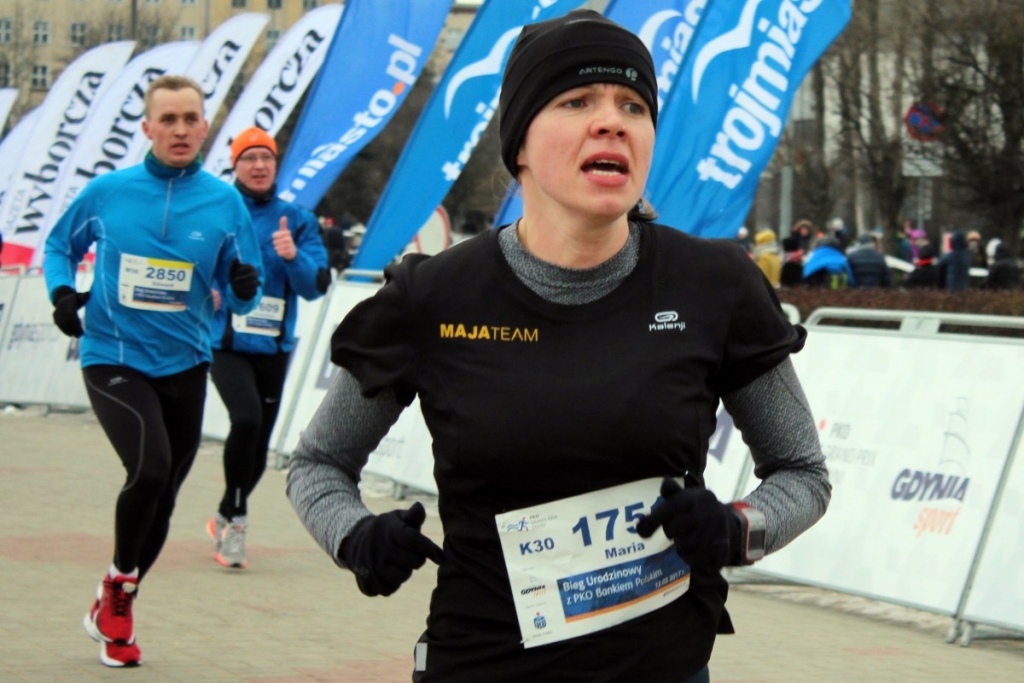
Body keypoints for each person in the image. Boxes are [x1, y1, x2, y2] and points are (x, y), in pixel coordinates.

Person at [286, 11, 829, 683]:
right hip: (482, 666)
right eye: (577, 101)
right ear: (520, 143)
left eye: (633, 105)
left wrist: (737, 527)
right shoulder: (436, 296)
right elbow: (317, 465)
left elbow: (803, 473)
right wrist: (354, 536)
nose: (612, 122)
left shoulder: (713, 285)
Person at [43, 75, 263, 668]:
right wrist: (61, 294)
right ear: (148, 128)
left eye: (190, 118)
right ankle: (118, 586)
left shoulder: (225, 203)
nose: (180, 129)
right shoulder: (109, 192)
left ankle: (117, 606)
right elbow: (59, 246)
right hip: (112, 355)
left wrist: (243, 287)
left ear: (205, 127)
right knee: (150, 468)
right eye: (168, 119)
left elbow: (244, 291)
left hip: (186, 361)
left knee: (163, 498)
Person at [205, 127, 330, 569]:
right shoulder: (218, 212)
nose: (258, 166)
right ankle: (237, 524)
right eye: (249, 158)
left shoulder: (296, 220)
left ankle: (226, 509)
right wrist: (206, 289)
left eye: (266, 158)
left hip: (274, 348)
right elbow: (190, 259)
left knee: (258, 444)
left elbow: (317, 286)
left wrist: (293, 256)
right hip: (226, 343)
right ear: (235, 166)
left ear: (276, 165)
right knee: (246, 419)